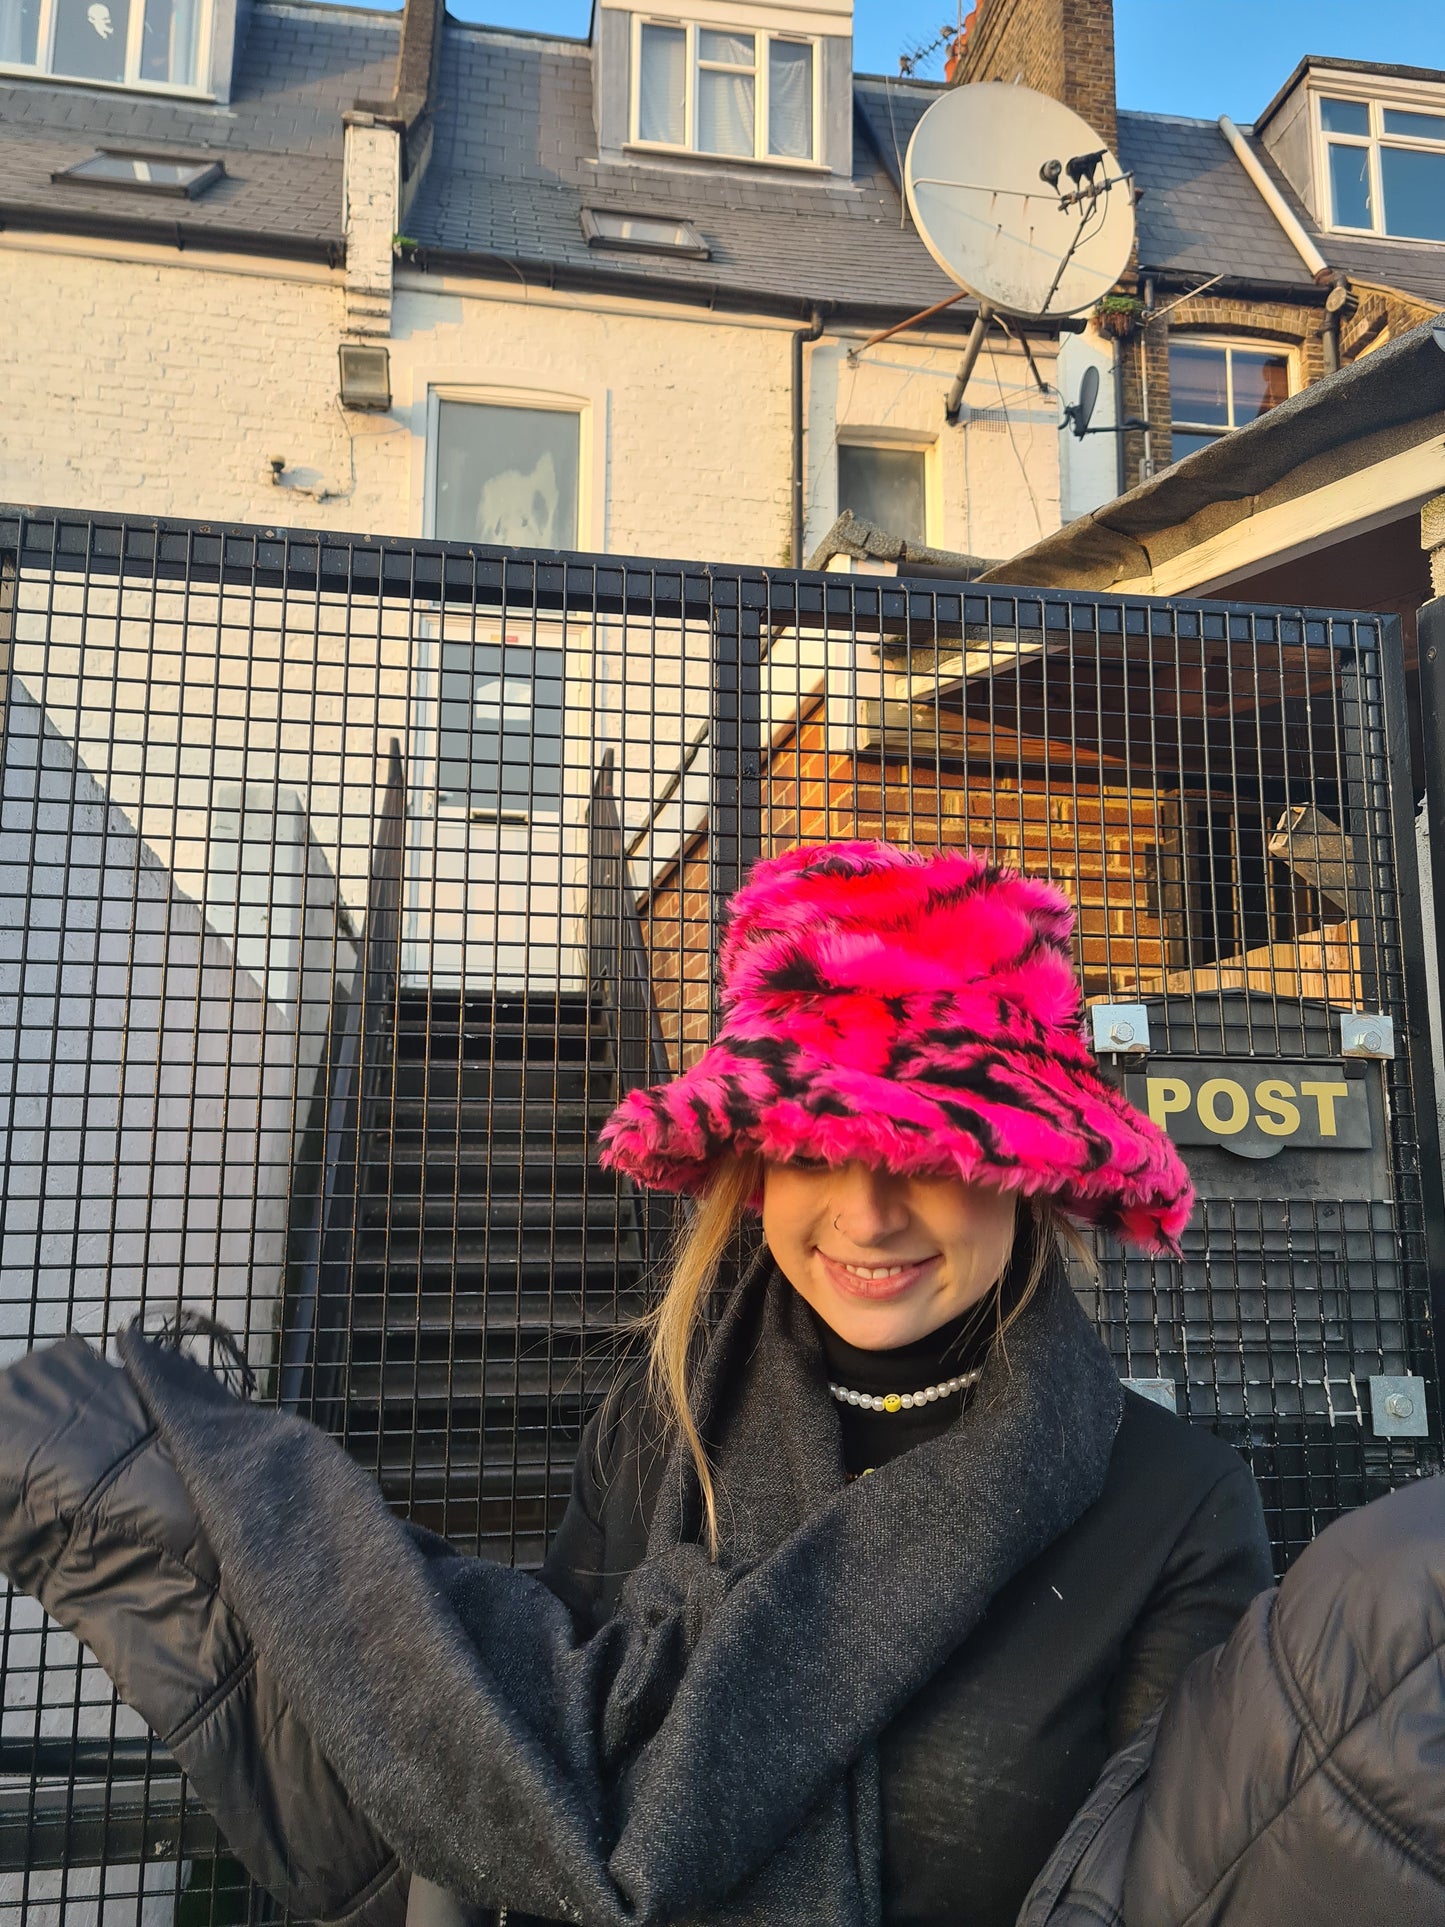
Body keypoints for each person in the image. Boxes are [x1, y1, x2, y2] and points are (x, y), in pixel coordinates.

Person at [0, 841, 1275, 1926]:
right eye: (818, 1144)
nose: (869, 1212)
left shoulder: (1173, 1509)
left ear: (1023, 1173)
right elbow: (522, 1767)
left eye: (929, 1151)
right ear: (753, 1164)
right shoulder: (659, 1428)